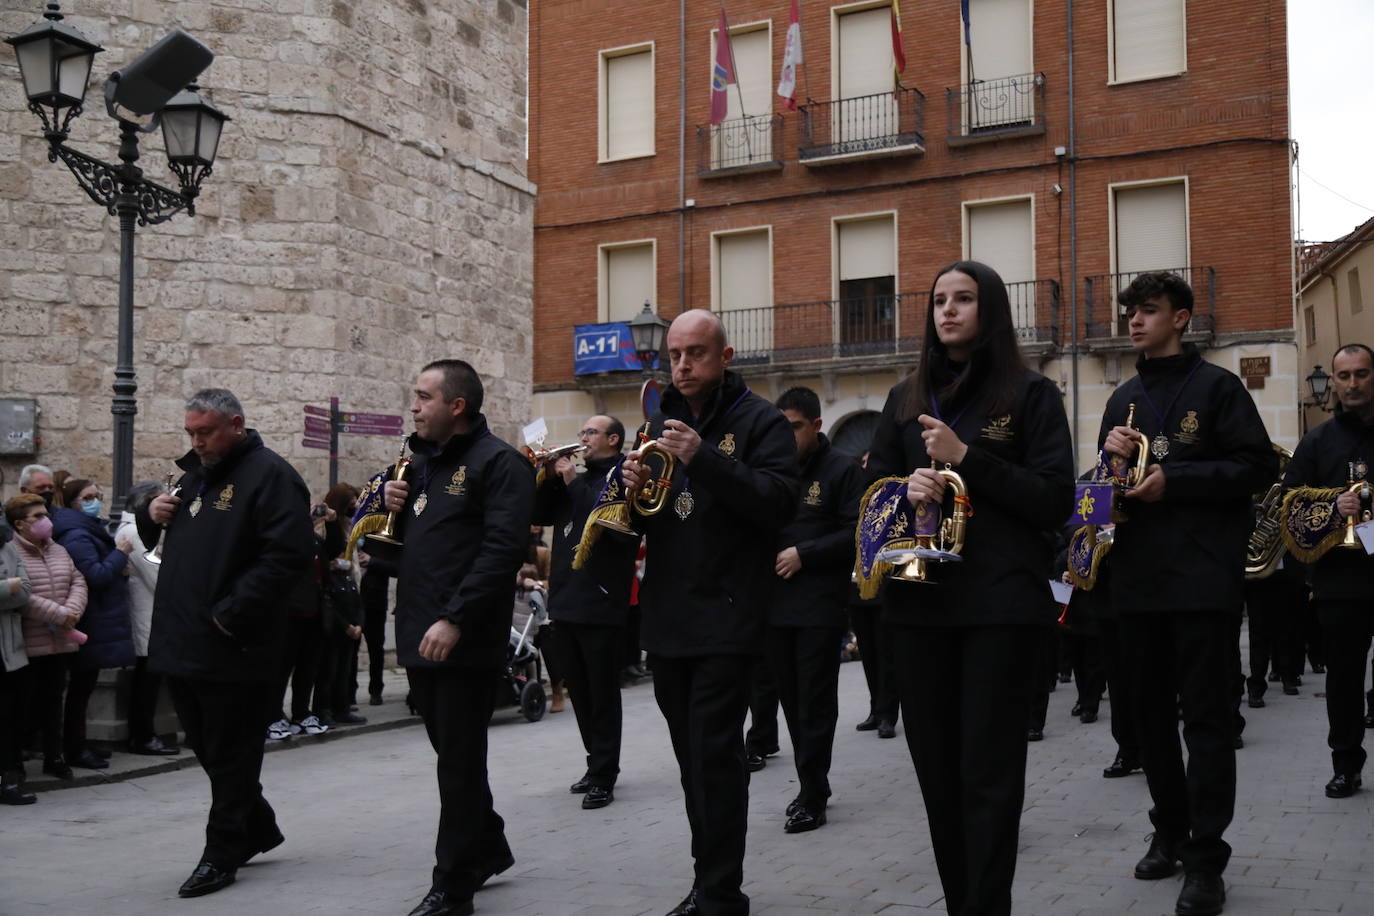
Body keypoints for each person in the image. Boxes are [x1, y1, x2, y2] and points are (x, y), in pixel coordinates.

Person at [865, 260, 1075, 916]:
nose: (947, 311)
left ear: (990, 310)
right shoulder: (904, 398)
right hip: (918, 607)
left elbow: (1053, 499)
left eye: (963, 299)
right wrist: (905, 492)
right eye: (938, 301)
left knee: (988, 776)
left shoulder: (1031, 395)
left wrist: (965, 460)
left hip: (999, 608)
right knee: (938, 777)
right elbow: (866, 497)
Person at [1098, 271, 1276, 916]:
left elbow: (1257, 467)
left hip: (1202, 579)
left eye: (1149, 311)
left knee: (1205, 720)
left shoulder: (1220, 388)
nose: (1135, 322)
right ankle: (1168, 830)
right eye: (1131, 313)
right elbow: (1107, 490)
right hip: (1138, 579)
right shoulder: (1122, 399)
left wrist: (1177, 480)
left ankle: (1206, 857)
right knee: (1147, 719)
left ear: (1182, 318)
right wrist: (1110, 469)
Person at [617, 309, 798, 916]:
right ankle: (709, 881)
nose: (683, 365)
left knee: (716, 758)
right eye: (674, 355)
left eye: (695, 353)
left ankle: (720, 892)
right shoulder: (658, 421)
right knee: (692, 762)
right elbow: (650, 520)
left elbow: (776, 502)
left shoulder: (761, 421)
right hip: (669, 620)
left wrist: (706, 459)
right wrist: (633, 488)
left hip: (729, 617)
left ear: (724, 358)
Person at [379, 359, 534, 916]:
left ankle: (453, 886)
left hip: (462, 639)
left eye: (423, 397)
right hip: (421, 634)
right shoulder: (420, 463)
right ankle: (488, 848)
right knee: (454, 756)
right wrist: (388, 510)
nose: (414, 407)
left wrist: (457, 617)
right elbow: (403, 550)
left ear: (456, 406)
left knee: (459, 767)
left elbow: (500, 551)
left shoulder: (500, 464)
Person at [147, 388, 314, 898]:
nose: (197, 442)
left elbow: (286, 556)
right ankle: (256, 826)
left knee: (233, 750)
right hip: (183, 640)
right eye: (191, 433)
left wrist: (231, 615)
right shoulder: (197, 474)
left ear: (236, 425)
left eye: (206, 432)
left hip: (236, 644)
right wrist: (151, 510)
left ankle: (222, 851)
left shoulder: (271, 475)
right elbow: (169, 537)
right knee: (211, 748)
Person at [765, 386, 864, 833]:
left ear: (816, 426)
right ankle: (809, 782)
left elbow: (857, 532)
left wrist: (805, 553)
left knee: (815, 702)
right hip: (774, 606)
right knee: (789, 699)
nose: (787, 437)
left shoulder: (842, 469)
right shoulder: (772, 470)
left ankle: (813, 791)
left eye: (795, 428)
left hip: (819, 606)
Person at [531, 415, 637, 810]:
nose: (582, 439)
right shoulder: (574, 478)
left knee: (602, 693)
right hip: (567, 600)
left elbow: (604, 517)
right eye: (582, 433)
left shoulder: (622, 476)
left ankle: (606, 774)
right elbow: (537, 513)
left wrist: (571, 481)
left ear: (612, 438)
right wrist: (544, 474)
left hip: (601, 600)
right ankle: (595, 765)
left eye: (590, 433)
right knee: (580, 691)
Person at [1282, 343, 1374, 800]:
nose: (1352, 384)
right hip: (1340, 580)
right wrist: (1333, 505)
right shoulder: (1317, 442)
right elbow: (1289, 507)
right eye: (1344, 376)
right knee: (1343, 679)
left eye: (1361, 374)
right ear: (1333, 382)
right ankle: (1345, 764)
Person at [51, 478, 136, 770]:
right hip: (88, 619)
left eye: (98, 495)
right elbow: (95, 575)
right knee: (79, 688)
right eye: (88, 496)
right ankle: (74, 748)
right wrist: (120, 554)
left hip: (95, 619)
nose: (95, 500)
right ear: (73, 501)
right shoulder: (78, 535)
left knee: (84, 687)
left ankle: (79, 744)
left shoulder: (87, 530)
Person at [5, 494, 86, 781]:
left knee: (54, 702)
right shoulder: (11, 553)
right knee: (21, 708)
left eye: (45, 514)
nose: (45, 520)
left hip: (61, 641)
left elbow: (77, 579)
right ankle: (16, 765)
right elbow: (22, 596)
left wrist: (72, 610)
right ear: (19, 524)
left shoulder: (58, 550)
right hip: (28, 643)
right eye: (37, 516)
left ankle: (55, 756)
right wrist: (58, 614)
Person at [117, 480, 180, 755]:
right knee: (146, 684)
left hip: (152, 617)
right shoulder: (134, 531)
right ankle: (142, 737)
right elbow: (157, 576)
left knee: (151, 682)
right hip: (147, 617)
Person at [0, 519, 34, 804]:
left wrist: (12, 588)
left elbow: (24, 589)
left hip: (10, 649)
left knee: (10, 717)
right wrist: (6, 587)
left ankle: (10, 779)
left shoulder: (8, 547)